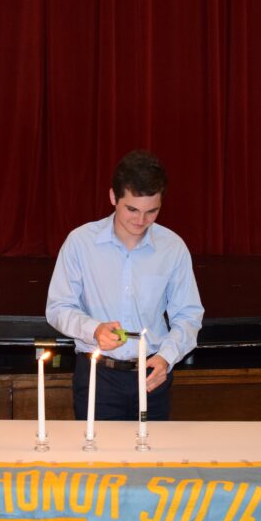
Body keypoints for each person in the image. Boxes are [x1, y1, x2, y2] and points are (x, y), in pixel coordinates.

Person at [45, 150, 204, 421]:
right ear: (113, 198)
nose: (141, 221)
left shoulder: (172, 247)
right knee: (100, 462)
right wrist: (94, 329)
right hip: (98, 377)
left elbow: (189, 315)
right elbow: (58, 307)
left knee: (152, 463)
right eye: (132, 209)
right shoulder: (80, 243)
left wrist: (166, 357)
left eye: (151, 211)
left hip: (152, 374)